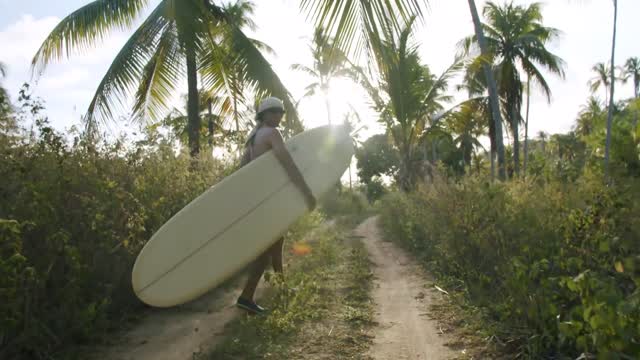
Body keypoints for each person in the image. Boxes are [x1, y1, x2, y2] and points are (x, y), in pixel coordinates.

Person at [235, 96, 316, 315]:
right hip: (268, 201)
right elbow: (287, 163)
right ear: (265, 114)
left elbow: (242, 170)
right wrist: (306, 192)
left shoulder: (253, 138)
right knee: (265, 249)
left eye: (281, 112)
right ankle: (246, 296)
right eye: (275, 112)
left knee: (277, 242)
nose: (280, 116)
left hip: (260, 199)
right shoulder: (272, 133)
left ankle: (281, 286)